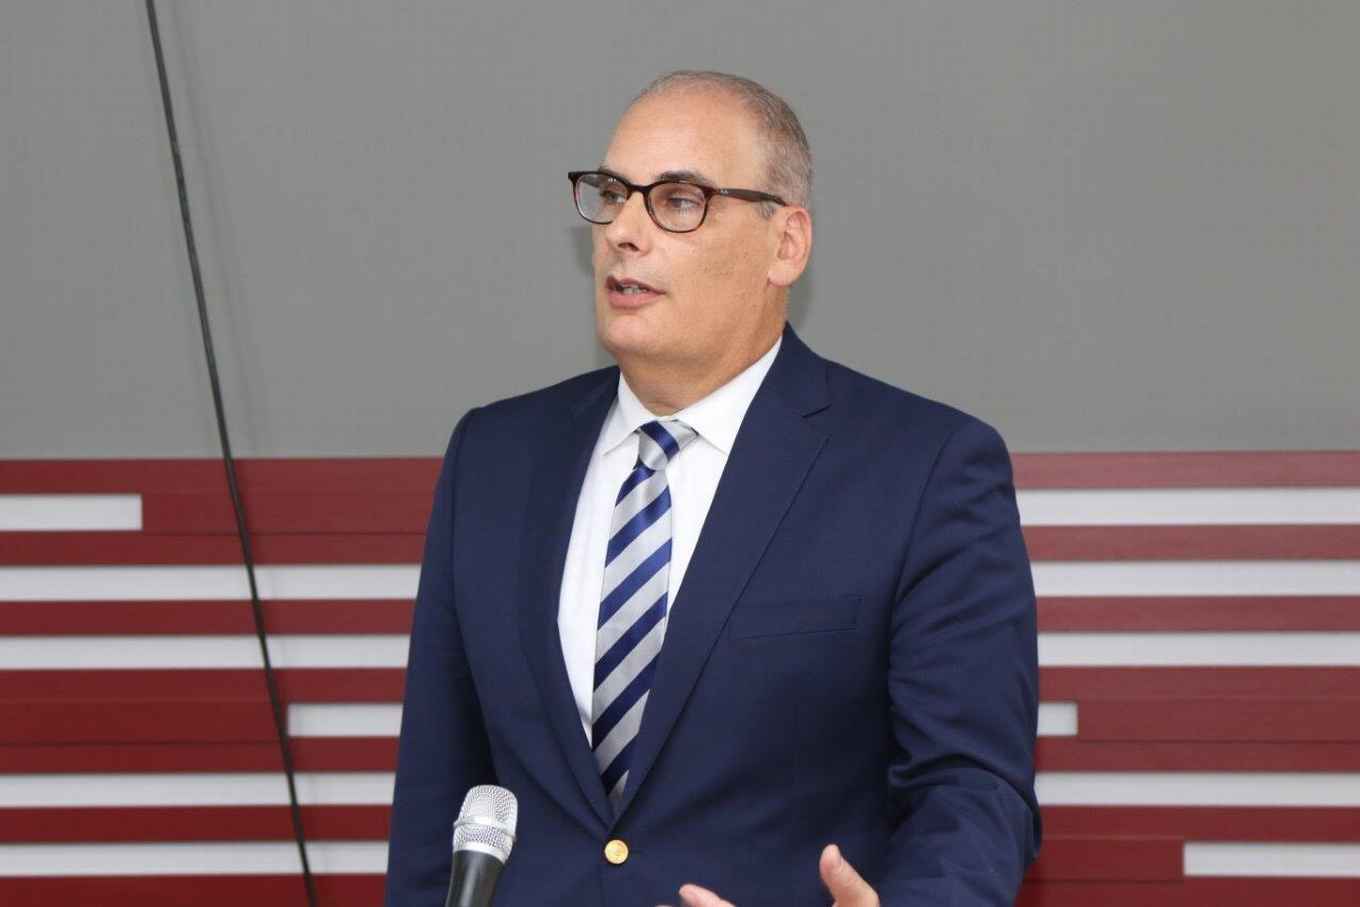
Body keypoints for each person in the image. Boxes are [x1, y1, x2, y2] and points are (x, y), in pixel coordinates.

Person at [385, 70, 1040, 907]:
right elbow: (439, 801)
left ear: (785, 244)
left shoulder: (923, 470)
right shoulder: (493, 458)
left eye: (679, 201)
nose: (623, 231)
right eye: (612, 194)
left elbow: (972, 791)